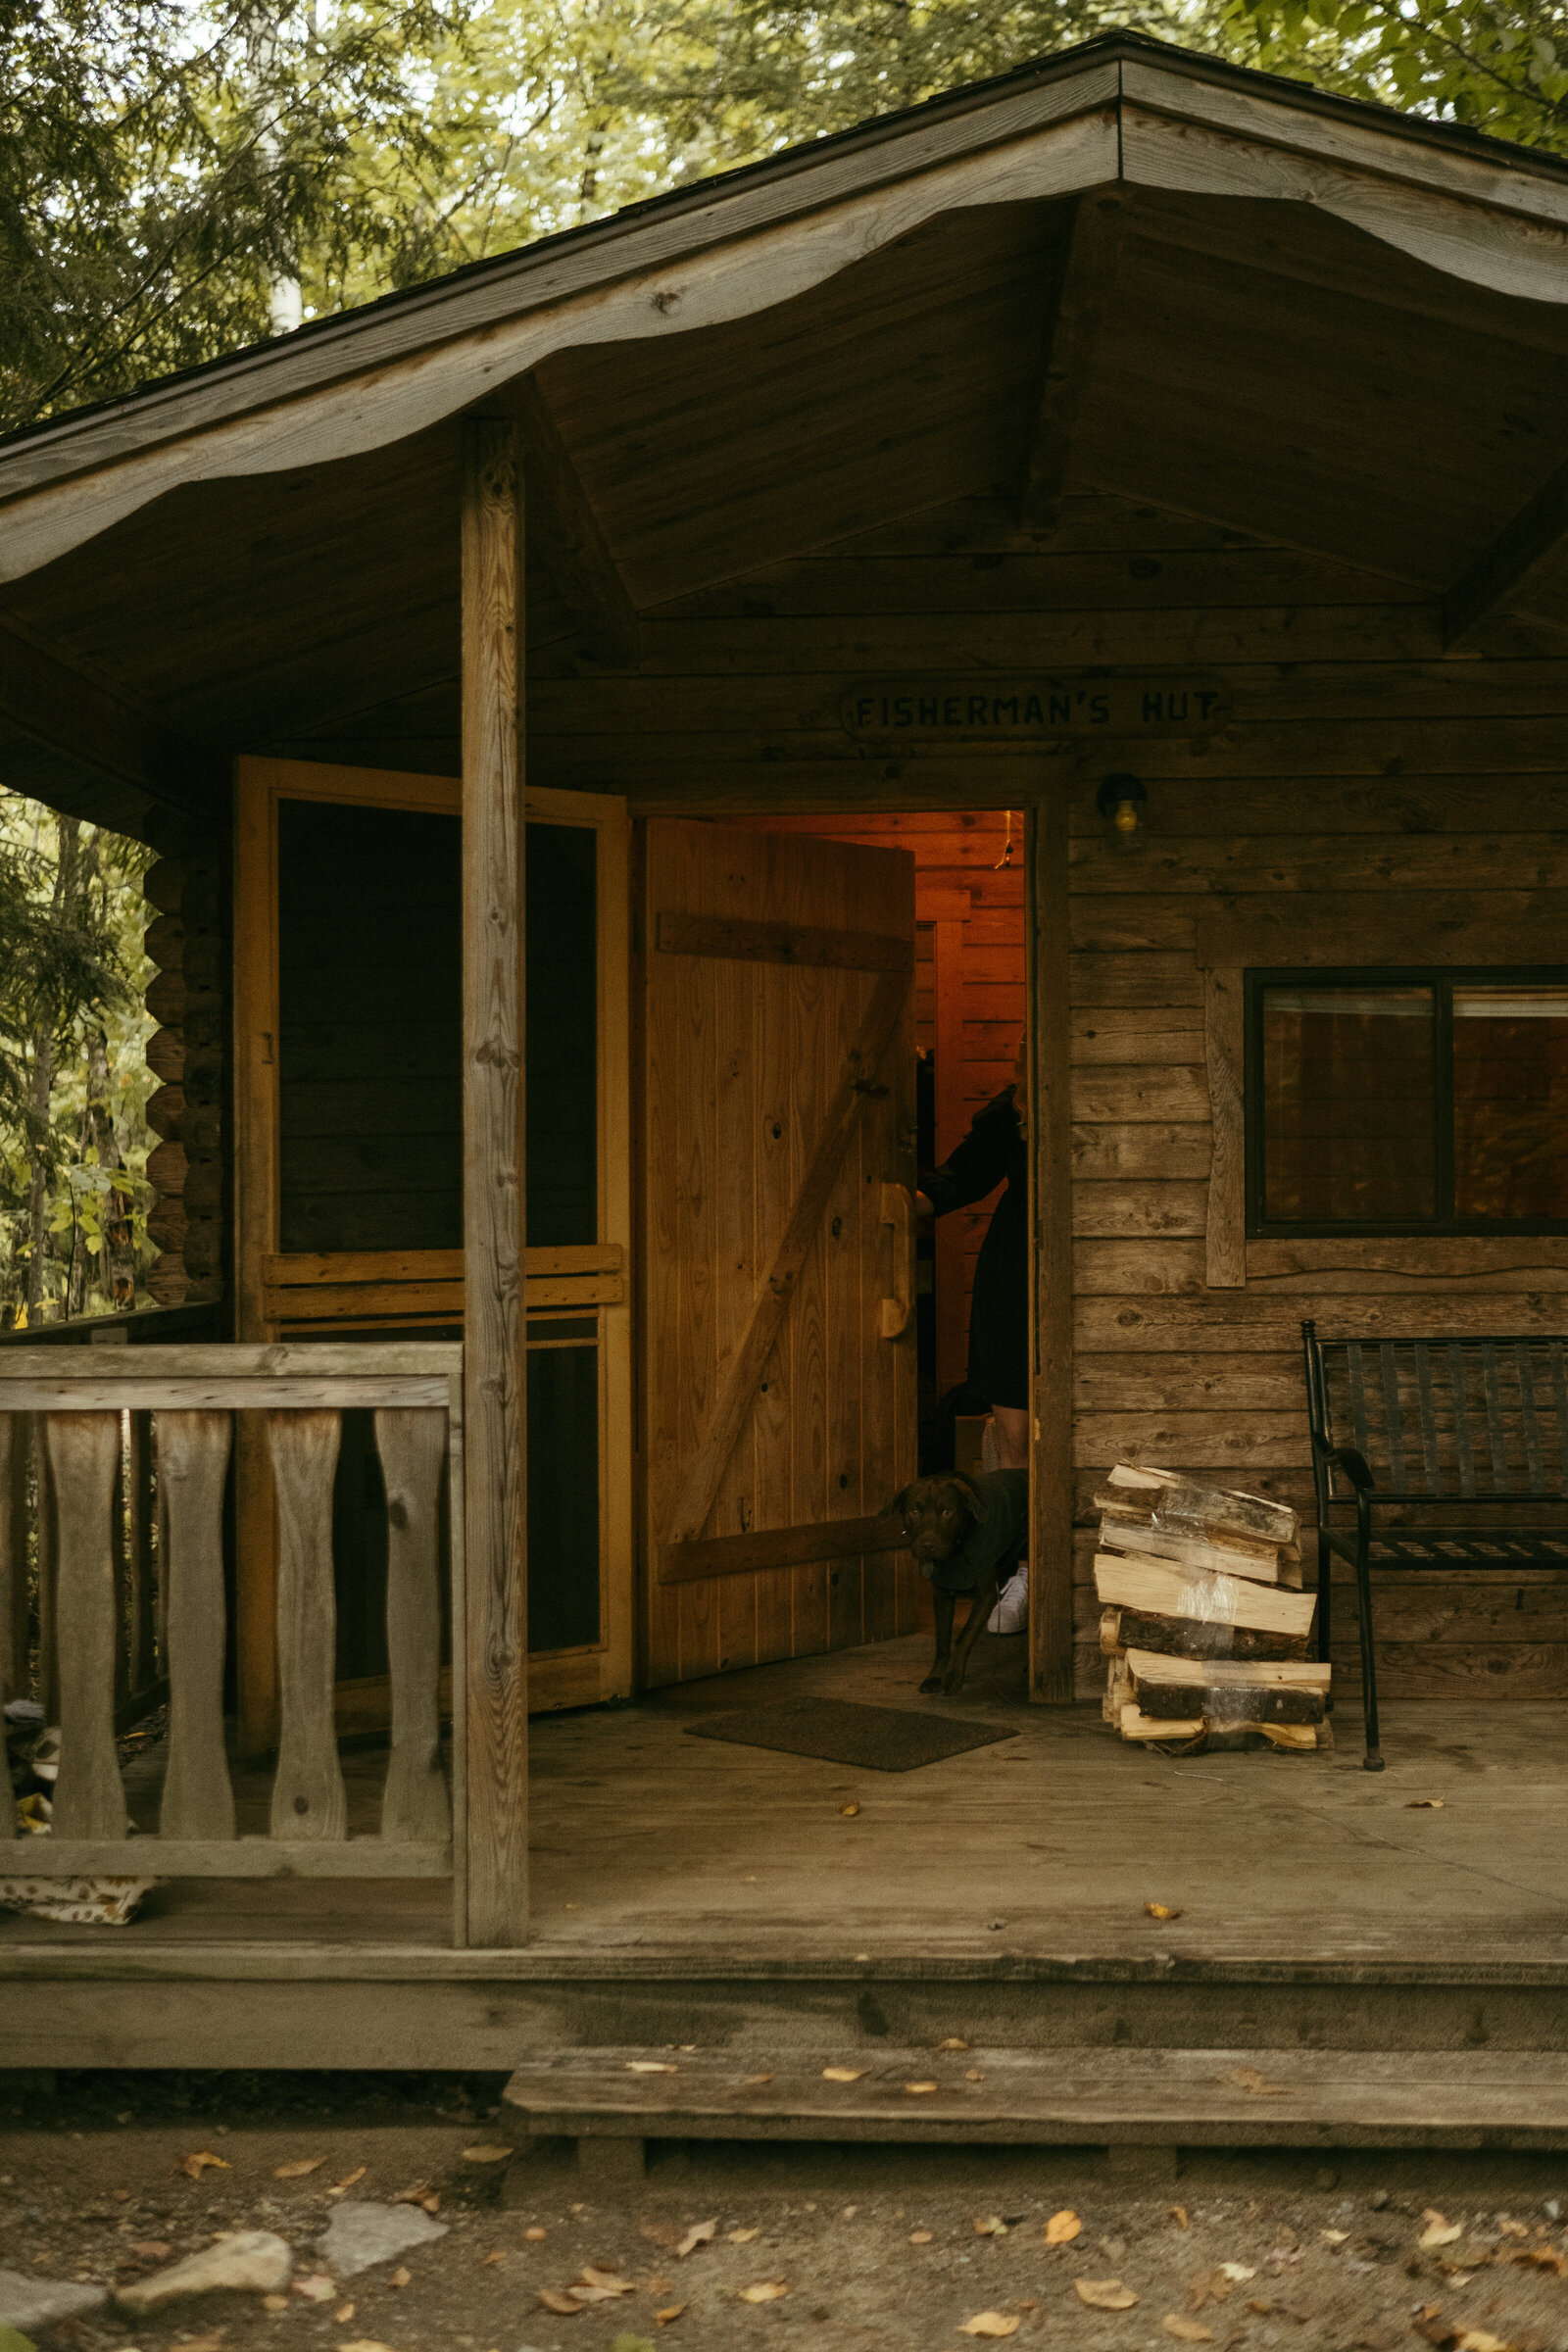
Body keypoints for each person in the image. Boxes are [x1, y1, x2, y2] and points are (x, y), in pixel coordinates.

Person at [915, 1038, 1029, 1634]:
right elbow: (957, 1178)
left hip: (1087, 1271)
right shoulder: (1009, 1117)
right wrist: (892, 1207)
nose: (1024, 1063)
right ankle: (1023, 1574)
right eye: (1021, 1055)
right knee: (1014, 1433)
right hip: (1013, 1277)